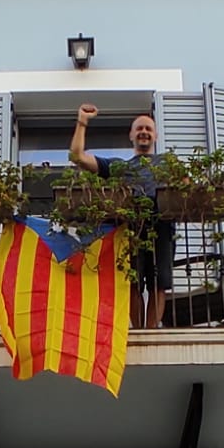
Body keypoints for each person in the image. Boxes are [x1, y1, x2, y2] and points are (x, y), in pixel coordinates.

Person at [69, 104, 173, 328]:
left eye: (148, 128)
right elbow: (77, 156)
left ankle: (152, 332)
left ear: (155, 135)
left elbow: (189, 189)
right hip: (130, 230)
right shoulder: (119, 166)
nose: (143, 132)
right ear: (131, 135)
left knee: (159, 283)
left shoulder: (168, 164)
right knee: (133, 283)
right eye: (139, 128)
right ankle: (138, 331)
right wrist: (82, 121)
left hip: (162, 227)